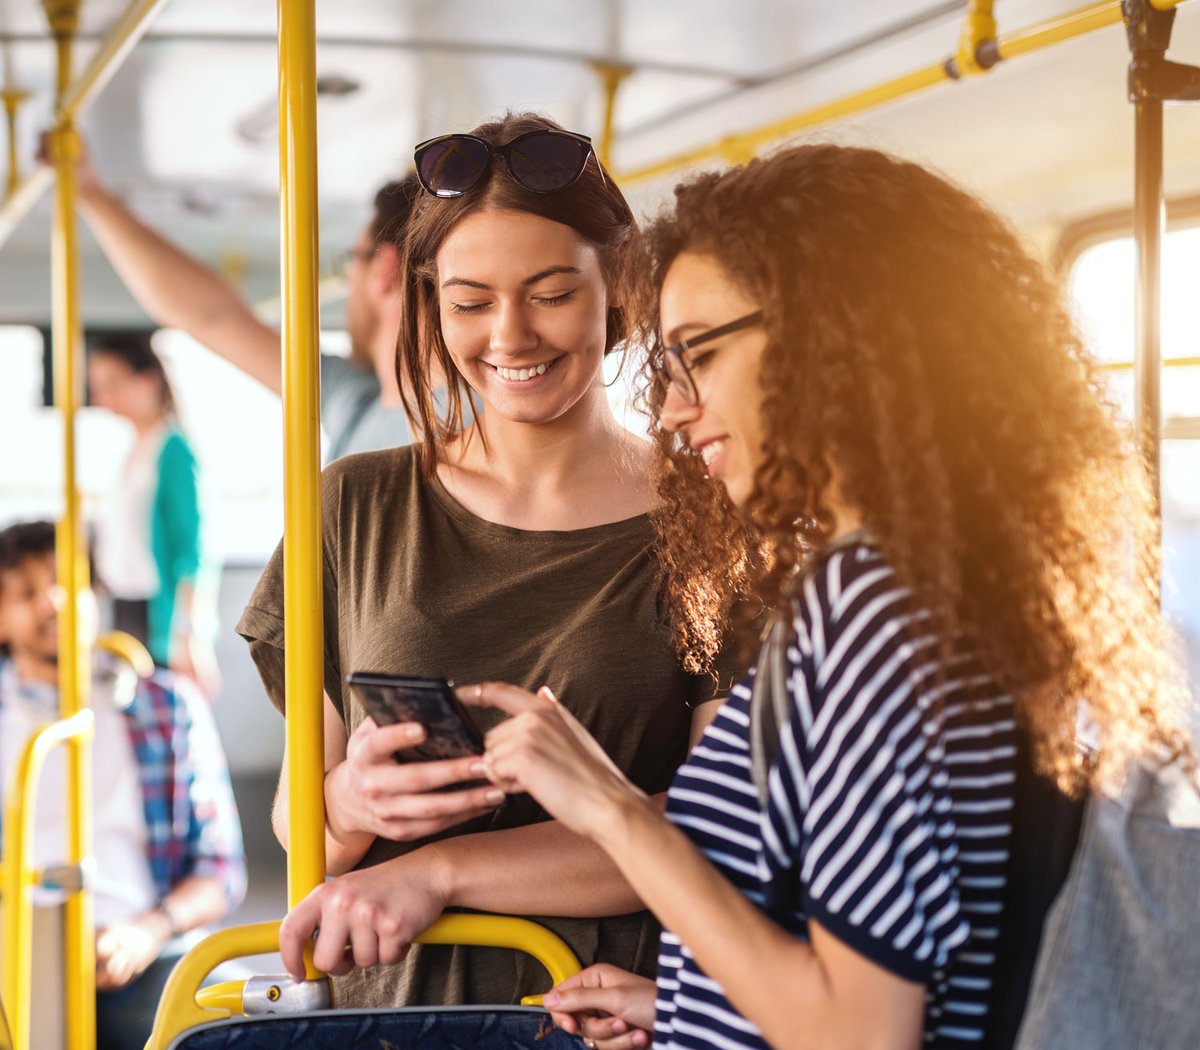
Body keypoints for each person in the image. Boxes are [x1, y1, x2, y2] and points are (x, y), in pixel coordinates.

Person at [451, 144, 1192, 1049]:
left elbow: (860, 1033)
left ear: (830, 334)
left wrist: (609, 809)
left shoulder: (870, 605)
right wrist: (689, 1007)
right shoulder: (961, 578)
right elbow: (913, 952)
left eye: (699, 356)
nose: (674, 410)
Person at [242, 112, 737, 1009]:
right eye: (470, 302)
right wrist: (352, 806)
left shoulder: (711, 513)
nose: (510, 337)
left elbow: (708, 832)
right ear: (430, 299)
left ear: (619, 282)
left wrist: (438, 872)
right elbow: (298, 820)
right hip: (391, 1010)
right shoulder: (350, 504)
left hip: (606, 1009)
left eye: (551, 294)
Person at [0, 520, 246, 1050]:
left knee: (249, 1028)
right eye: (26, 591)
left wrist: (146, 931)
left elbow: (220, 869)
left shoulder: (167, 706)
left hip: (140, 953)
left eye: (70, 581)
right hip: (9, 956)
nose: (54, 601)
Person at [53, 135, 420, 460]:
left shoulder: (465, 428)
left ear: (383, 270)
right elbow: (210, 316)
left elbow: (212, 317)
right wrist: (90, 194)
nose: (348, 278)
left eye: (352, 260)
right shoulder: (356, 400)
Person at [88, 333, 220, 695]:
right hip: (124, 606)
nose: (103, 398)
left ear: (147, 380)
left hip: (154, 613)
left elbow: (191, 547)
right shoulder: (134, 450)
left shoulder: (172, 448)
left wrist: (189, 633)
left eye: (112, 384)